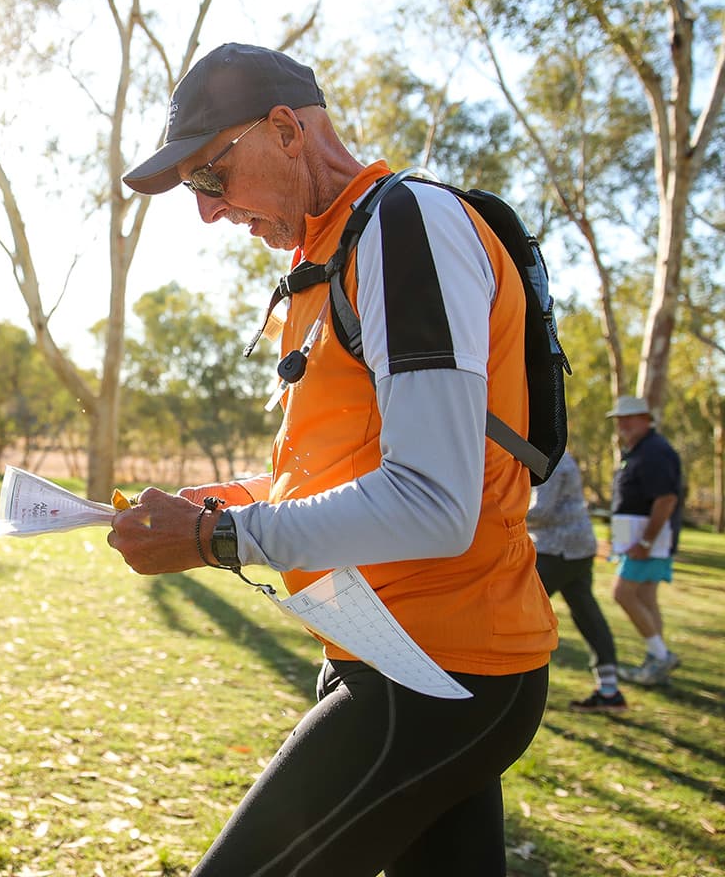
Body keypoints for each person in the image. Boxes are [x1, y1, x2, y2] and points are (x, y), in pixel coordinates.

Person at [110, 43, 556, 876]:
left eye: (209, 177)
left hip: (437, 670)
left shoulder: (404, 223)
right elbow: (360, 465)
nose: (207, 213)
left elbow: (432, 500)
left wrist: (220, 538)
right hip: (387, 653)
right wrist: (232, 501)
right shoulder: (332, 253)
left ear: (285, 129)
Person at [526, 450, 625, 712]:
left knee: (518, 608)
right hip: (576, 548)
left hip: (559, 548)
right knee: (587, 614)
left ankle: (515, 686)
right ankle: (609, 688)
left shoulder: (549, 458)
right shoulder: (557, 455)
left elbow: (541, 511)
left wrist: (500, 507)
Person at [606, 395, 683, 687]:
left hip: (647, 543)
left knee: (623, 593)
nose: (623, 424)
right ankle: (656, 660)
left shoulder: (654, 452)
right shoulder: (638, 450)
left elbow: (666, 499)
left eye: (630, 417)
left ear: (646, 419)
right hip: (640, 541)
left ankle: (661, 656)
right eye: (619, 420)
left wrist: (647, 542)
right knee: (646, 597)